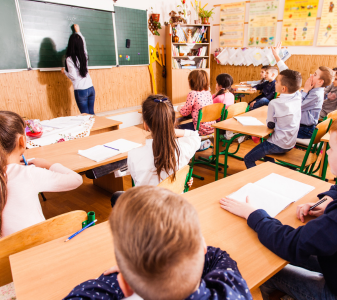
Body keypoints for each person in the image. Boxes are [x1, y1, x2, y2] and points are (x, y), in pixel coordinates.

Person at [220, 111, 337, 300]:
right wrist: (328, 199)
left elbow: (293, 244)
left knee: (266, 272)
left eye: (330, 148)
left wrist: (254, 214)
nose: (327, 152)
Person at [64, 186, 253, 300]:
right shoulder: (233, 291)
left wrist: (121, 276)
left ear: (128, 286)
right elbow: (221, 258)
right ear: (202, 249)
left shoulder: (119, 284)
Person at [0, 111, 82, 237]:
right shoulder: (29, 174)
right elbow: (76, 180)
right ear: (22, 141)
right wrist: (47, 165)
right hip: (35, 245)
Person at [127, 95, 200, 188]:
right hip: (175, 200)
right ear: (173, 121)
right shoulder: (183, 148)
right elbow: (195, 136)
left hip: (147, 202)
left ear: (145, 125)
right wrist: (169, 130)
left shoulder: (134, 155)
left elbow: (137, 182)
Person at [243, 60, 302, 169]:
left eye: (277, 81)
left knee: (248, 158)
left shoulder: (274, 103)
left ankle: (258, 179)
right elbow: (290, 76)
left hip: (277, 143)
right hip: (291, 142)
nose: (275, 82)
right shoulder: (297, 96)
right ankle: (271, 172)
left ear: (283, 88)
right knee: (266, 155)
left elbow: (270, 125)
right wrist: (277, 57)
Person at [272, 42, 333, 139]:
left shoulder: (316, 94)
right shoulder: (313, 89)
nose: (311, 75)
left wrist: (304, 91)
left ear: (320, 82)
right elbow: (289, 76)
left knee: (275, 129)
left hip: (306, 130)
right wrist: (277, 57)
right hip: (301, 125)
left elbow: (297, 106)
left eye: (315, 75)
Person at [61, 24, 96, 114]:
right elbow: (83, 43)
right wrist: (78, 31)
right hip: (90, 87)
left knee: (85, 116)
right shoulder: (84, 54)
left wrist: (64, 72)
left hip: (81, 91)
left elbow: (73, 76)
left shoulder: (70, 59)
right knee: (91, 114)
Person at [178, 70, 214, 136]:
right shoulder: (208, 93)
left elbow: (184, 112)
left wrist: (179, 108)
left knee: (176, 127)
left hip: (200, 128)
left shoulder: (192, 94)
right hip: (211, 127)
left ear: (192, 82)